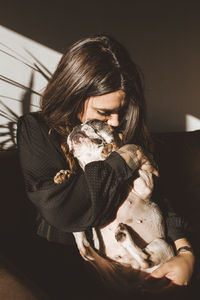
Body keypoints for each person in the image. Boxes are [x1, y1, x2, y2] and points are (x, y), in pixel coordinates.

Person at [17, 34, 195, 298]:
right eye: (104, 112)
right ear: (73, 95)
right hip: (72, 264)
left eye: (120, 111)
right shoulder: (36, 129)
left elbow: (156, 198)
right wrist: (127, 156)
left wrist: (185, 253)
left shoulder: (122, 125)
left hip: (149, 255)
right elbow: (63, 210)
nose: (114, 122)